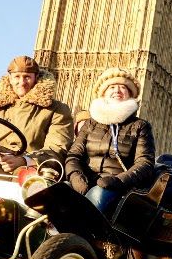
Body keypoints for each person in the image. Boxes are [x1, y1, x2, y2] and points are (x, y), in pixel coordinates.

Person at [64, 67, 155, 216]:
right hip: (86, 180)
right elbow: (73, 156)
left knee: (95, 201)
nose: (117, 90)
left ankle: (77, 238)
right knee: (54, 193)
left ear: (130, 94)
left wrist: (118, 181)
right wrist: (75, 176)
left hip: (117, 186)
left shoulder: (140, 126)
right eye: (112, 87)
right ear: (104, 93)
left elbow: (145, 163)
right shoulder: (90, 124)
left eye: (123, 87)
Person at [0, 55, 73, 173]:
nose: (22, 82)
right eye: (17, 77)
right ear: (10, 79)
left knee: (23, 175)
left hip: (33, 171)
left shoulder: (57, 110)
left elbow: (57, 149)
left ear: (36, 78)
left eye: (27, 77)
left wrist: (24, 160)